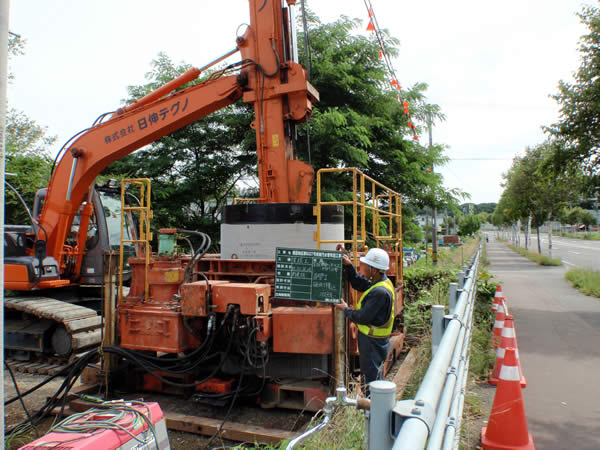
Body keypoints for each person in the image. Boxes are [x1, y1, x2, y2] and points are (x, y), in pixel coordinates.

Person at [335, 248, 395, 391]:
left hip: (372, 342)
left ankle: (372, 409)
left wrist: (345, 309)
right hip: (376, 340)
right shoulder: (381, 283)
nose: (363, 268)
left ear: (373, 270)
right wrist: (349, 266)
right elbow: (359, 283)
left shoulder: (379, 292)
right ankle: (376, 406)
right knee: (374, 374)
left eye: (366, 266)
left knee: (370, 380)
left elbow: (362, 317)